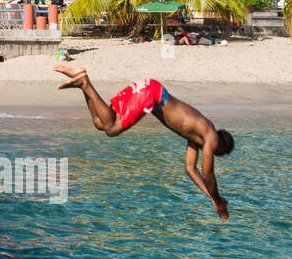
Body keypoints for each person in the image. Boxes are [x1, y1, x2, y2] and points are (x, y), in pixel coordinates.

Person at [54, 65, 234, 220]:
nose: (217, 156)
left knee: (101, 124)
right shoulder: (210, 136)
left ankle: (82, 82)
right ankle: (85, 82)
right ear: (222, 147)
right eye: (222, 154)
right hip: (153, 94)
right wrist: (219, 201)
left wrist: (212, 198)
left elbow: (190, 168)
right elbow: (208, 173)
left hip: (151, 89)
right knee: (112, 128)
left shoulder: (198, 137)